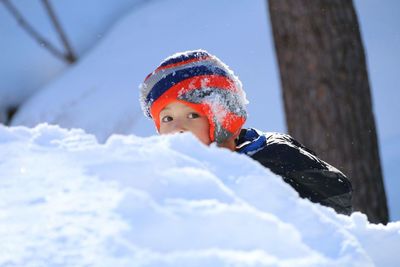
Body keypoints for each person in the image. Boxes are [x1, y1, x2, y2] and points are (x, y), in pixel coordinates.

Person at [139, 49, 352, 215]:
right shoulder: (162, 177)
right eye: (167, 119)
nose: (177, 129)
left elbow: (332, 202)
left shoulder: (271, 165)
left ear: (222, 119)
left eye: (193, 115)